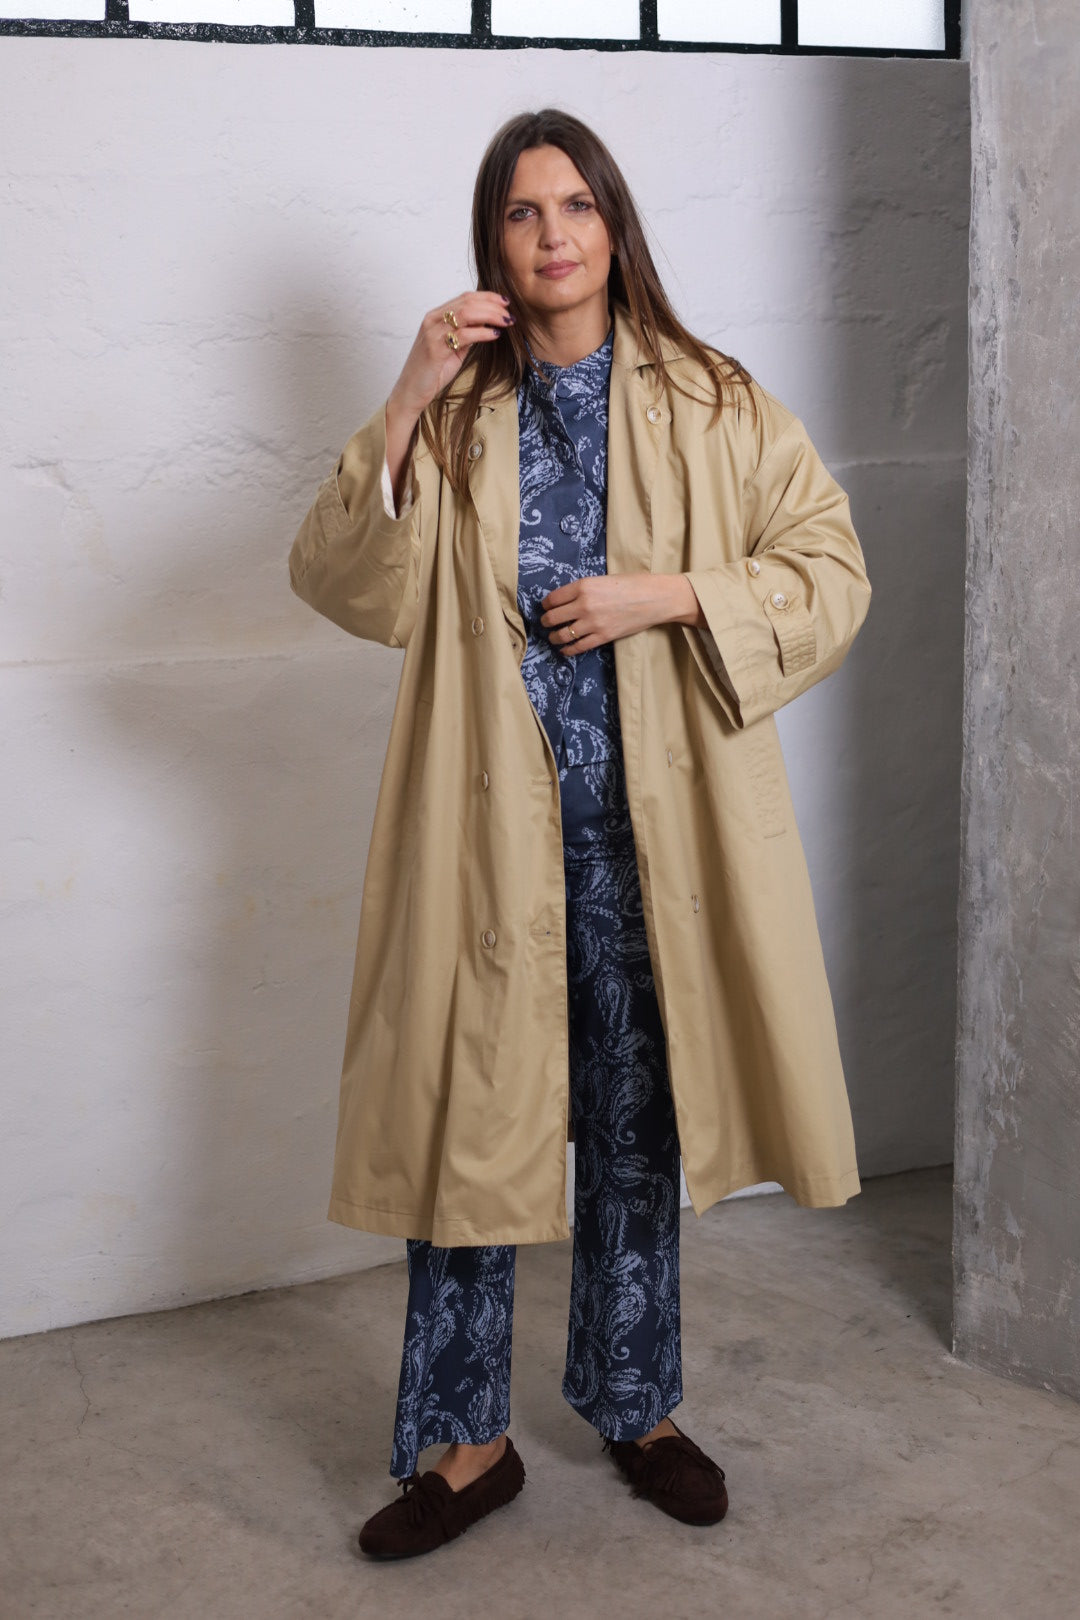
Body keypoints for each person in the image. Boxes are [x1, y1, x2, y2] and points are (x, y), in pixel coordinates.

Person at [287, 107, 872, 1560]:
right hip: (488, 848)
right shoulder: (459, 417)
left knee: (633, 1133)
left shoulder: (715, 401)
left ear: (614, 226)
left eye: (576, 206)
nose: (552, 234)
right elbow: (347, 583)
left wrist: (664, 596)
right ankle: (467, 1445)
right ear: (493, 242)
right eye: (521, 211)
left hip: (654, 851)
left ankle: (637, 1405)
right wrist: (408, 394)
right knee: (465, 1138)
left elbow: (830, 567)